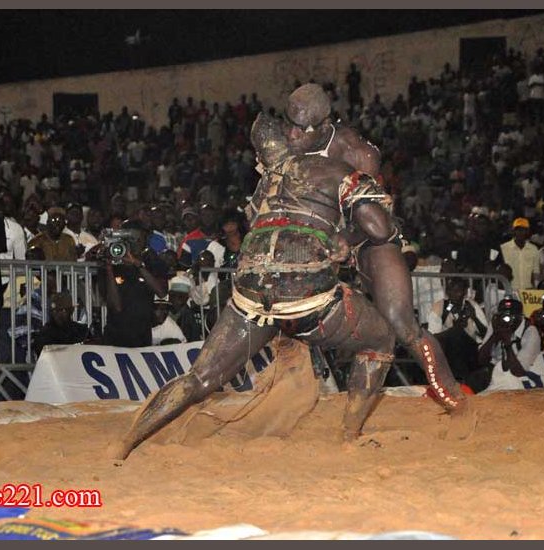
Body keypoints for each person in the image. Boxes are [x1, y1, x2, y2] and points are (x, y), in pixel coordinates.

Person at [109, 114, 405, 460]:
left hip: (251, 290)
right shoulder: (337, 172)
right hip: (303, 291)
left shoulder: (271, 174)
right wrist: (349, 233)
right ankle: (350, 434)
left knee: (200, 378)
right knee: (380, 338)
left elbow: (261, 143)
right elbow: (381, 228)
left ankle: (126, 441)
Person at [278, 83, 470, 416]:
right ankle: (292, 397)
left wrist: (347, 240)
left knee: (401, 323)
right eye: (289, 123)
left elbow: (378, 217)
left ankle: (453, 398)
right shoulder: (287, 144)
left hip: (367, 236)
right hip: (317, 239)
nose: (292, 134)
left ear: (324, 125)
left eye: (302, 128)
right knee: (279, 306)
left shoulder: (358, 153)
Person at [99, 220, 169, 348]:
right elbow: (115, 306)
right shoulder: (113, 266)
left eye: (140, 239)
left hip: (142, 335)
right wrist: (109, 268)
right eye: (132, 240)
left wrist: (138, 265)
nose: (136, 244)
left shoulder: (152, 262)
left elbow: (161, 292)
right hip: (115, 336)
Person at [469, 297, 542, 393]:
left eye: (511, 316)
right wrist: (494, 335)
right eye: (503, 315)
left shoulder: (530, 331)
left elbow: (519, 372)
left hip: (521, 377)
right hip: (496, 369)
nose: (507, 319)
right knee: (474, 378)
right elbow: (481, 360)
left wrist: (507, 343)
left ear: (520, 317)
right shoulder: (498, 322)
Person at [427, 277, 489, 383]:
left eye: (458, 291)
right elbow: (433, 337)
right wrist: (455, 329)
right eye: (451, 291)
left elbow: (486, 334)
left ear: (465, 292)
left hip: (470, 349)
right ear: (447, 292)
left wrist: (474, 318)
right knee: (456, 334)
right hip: (446, 350)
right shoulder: (441, 307)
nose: (454, 294)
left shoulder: (471, 306)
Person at [32, 291, 90, 357]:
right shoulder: (45, 333)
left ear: (71, 310)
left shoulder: (81, 330)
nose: (58, 314)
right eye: (55, 310)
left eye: (63, 310)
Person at [500, 217, 540, 290]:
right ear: (513, 231)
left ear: (527, 232)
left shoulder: (533, 249)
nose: (521, 232)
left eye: (523, 230)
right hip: (510, 290)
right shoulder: (504, 248)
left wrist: (536, 289)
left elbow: (536, 272)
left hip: (528, 291)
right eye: (518, 230)